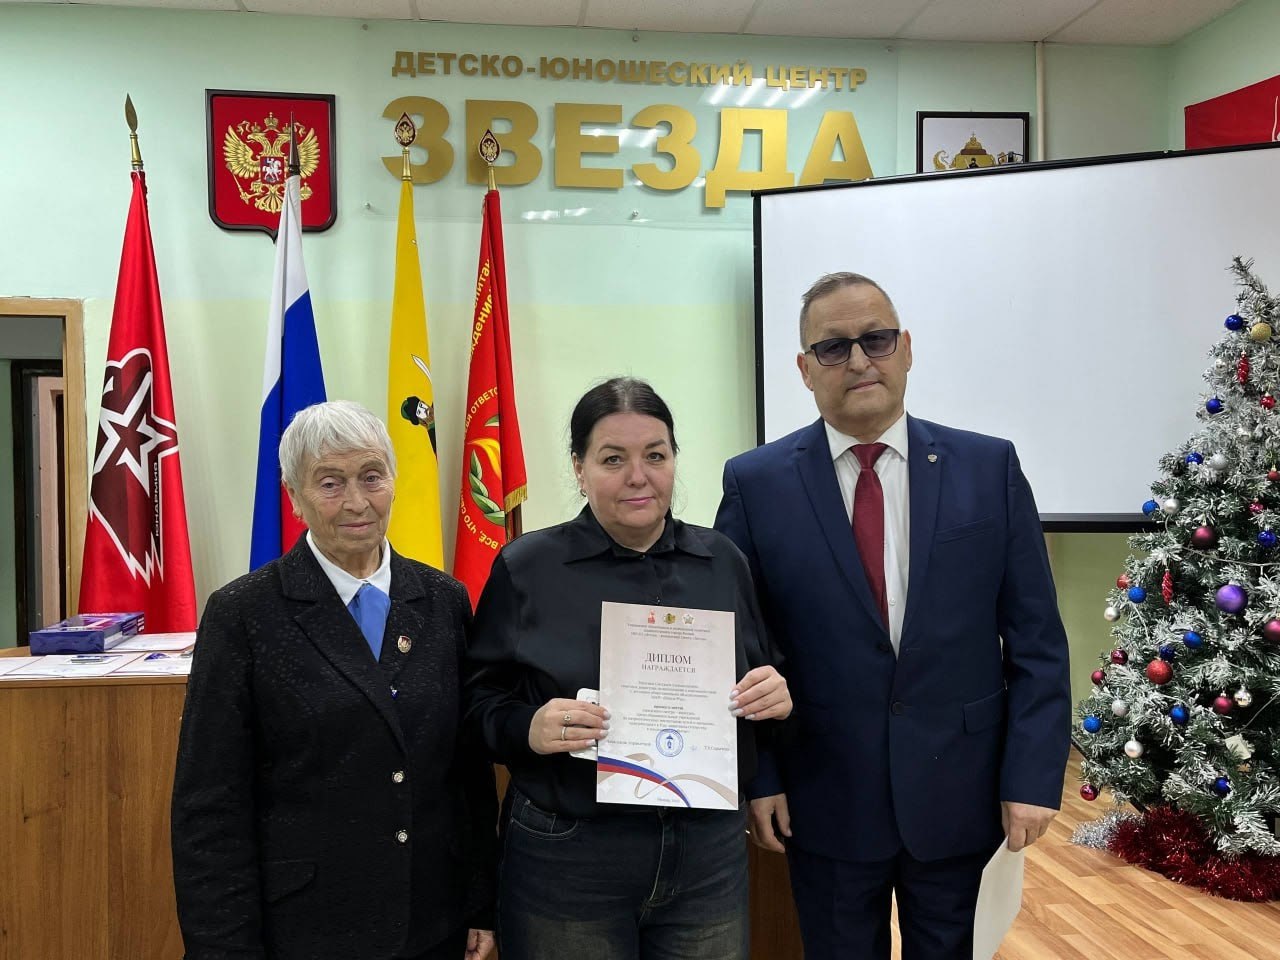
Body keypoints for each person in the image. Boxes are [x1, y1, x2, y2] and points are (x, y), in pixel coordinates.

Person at [715, 273, 1071, 959]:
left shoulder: (988, 467)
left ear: (906, 349)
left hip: (961, 793)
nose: (858, 361)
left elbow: (1038, 642)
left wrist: (1031, 778)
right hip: (823, 797)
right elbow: (741, 647)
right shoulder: (755, 484)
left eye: (876, 340)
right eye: (832, 347)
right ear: (804, 369)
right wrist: (761, 778)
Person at [464, 377, 791, 960]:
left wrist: (773, 697)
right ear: (579, 468)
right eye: (613, 459)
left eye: (655, 455)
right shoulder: (528, 567)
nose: (638, 476)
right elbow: (476, 705)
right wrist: (528, 726)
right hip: (571, 854)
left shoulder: (722, 562)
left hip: (707, 853)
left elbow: (759, 676)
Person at [172, 400, 497, 960]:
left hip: (433, 920)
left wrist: (480, 903)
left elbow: (468, 774)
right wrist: (222, 948)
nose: (356, 501)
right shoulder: (243, 614)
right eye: (330, 483)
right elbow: (211, 804)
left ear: (393, 480)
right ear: (294, 497)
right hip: (306, 928)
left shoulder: (444, 600)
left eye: (371, 476)